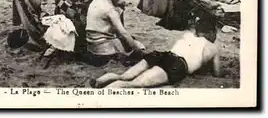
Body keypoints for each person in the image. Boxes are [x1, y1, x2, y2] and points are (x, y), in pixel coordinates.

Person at [88, 15, 221, 88]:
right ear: (211, 32)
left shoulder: (188, 35)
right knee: (134, 84)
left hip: (162, 54)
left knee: (125, 76)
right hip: (177, 64)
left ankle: (100, 81)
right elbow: (217, 73)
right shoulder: (213, 47)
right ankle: (105, 93)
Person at [85, 0, 146, 66]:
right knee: (135, 44)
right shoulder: (110, 9)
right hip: (104, 48)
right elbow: (123, 33)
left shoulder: (96, 1)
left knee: (128, 39)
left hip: (91, 45)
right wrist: (138, 50)